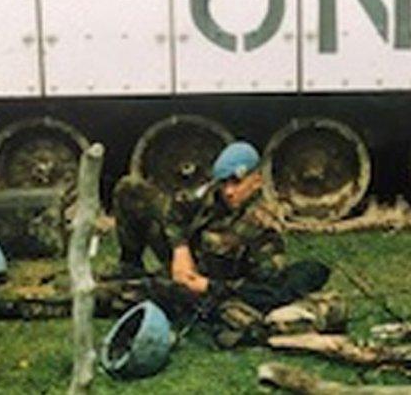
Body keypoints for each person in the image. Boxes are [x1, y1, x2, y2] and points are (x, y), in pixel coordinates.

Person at [110, 141, 342, 346]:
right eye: (224, 183)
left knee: (117, 296)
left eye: (236, 183)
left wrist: (207, 286)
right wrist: (180, 250)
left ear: (257, 180)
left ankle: (126, 288)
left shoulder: (264, 228)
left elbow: (264, 290)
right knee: (131, 189)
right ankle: (129, 266)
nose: (229, 191)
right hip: (186, 263)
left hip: (207, 288)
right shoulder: (213, 194)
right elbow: (174, 211)